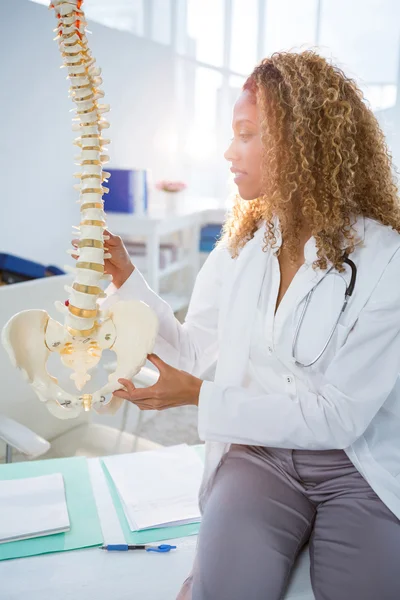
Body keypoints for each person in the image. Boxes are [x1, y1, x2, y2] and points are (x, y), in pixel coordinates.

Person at [75, 51, 400, 599]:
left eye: (246, 134)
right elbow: (196, 353)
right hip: (260, 456)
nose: (230, 153)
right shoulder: (243, 245)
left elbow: (339, 418)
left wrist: (200, 398)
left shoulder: (385, 257)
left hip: (355, 465)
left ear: (303, 143)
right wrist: (128, 280)